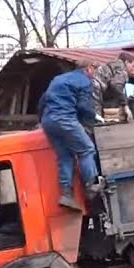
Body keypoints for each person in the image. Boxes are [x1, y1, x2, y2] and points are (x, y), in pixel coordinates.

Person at [39, 60, 103, 210]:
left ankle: (66, 194)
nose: (95, 75)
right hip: (64, 119)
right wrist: (95, 116)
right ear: (88, 68)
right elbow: (83, 106)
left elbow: (42, 102)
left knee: (65, 156)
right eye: (95, 70)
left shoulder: (58, 79)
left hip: (48, 122)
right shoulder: (84, 81)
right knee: (87, 149)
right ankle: (91, 186)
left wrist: (40, 120)